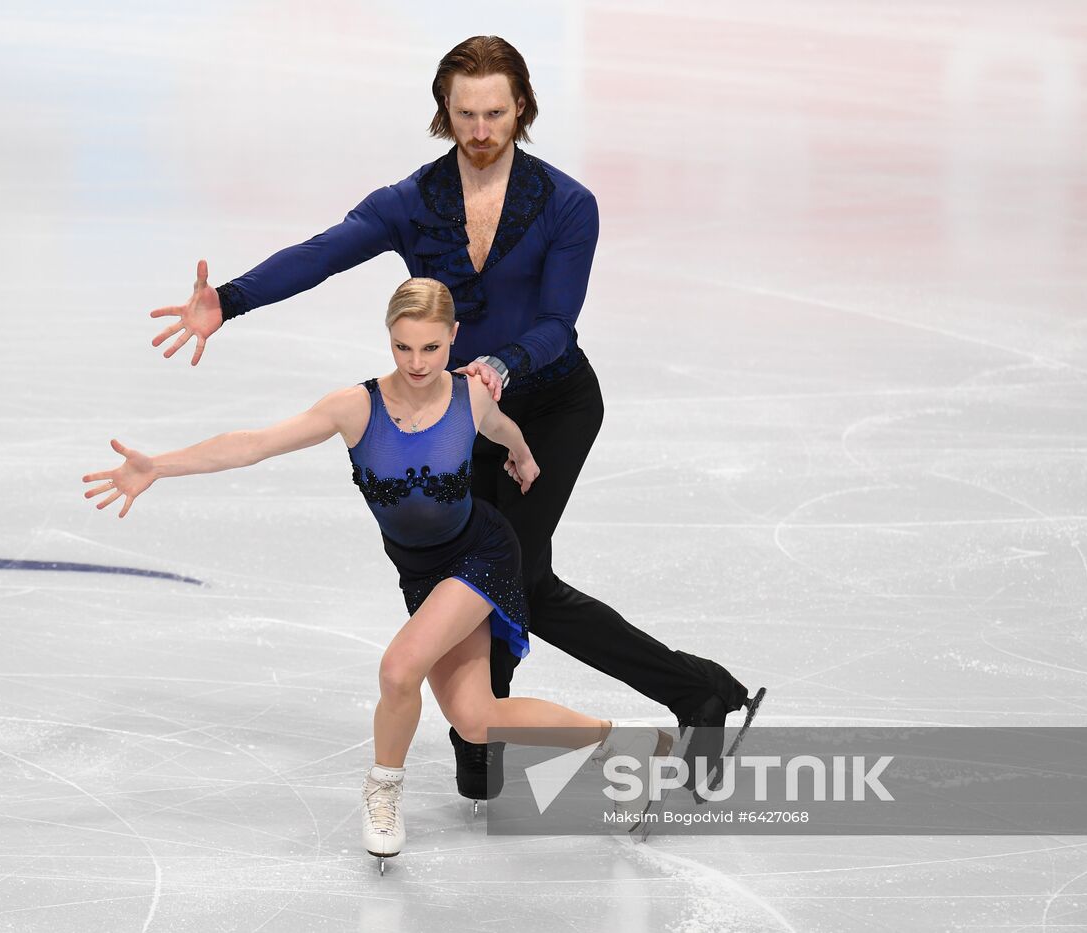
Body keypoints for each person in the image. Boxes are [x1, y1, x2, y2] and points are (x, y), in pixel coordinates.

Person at [146, 35, 760, 802]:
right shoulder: (414, 202)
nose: (479, 128)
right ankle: (496, 724)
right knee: (480, 562)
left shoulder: (567, 203)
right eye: (465, 113)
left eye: (495, 112)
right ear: (445, 112)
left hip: (550, 402)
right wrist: (229, 300)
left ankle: (689, 693)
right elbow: (324, 252)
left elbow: (557, 322)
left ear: (522, 108)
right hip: (458, 408)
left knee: (519, 576)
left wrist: (501, 365)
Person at [85, 279, 673, 865]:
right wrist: (158, 466)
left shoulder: (471, 396)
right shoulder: (356, 407)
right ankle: (627, 744)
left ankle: (382, 790)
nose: (417, 363)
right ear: (388, 340)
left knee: (398, 669)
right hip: (421, 575)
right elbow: (254, 444)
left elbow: (503, 430)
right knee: (476, 721)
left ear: (453, 340)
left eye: (431, 349)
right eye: (403, 347)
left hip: (482, 555)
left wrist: (522, 455)